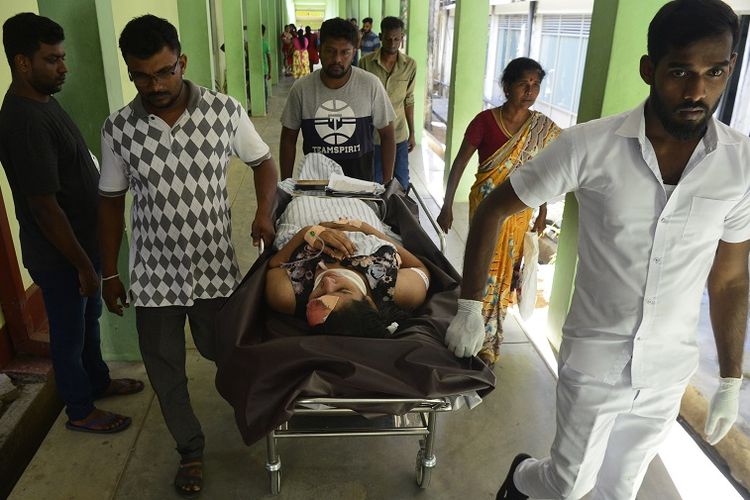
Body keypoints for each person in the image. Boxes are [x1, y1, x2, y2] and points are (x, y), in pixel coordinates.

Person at [444, 2, 749, 499]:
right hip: (595, 360)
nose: (697, 91)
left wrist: (730, 380)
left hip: (669, 370)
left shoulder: (740, 164)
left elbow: (731, 277)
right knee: (568, 486)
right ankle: (521, 479)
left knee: (621, 489)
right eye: (680, 72)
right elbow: (492, 209)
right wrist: (469, 305)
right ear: (649, 69)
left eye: (714, 73)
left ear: (730, 68)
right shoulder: (589, 146)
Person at [97, 15, 278, 497]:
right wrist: (108, 273)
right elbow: (111, 203)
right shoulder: (118, 129)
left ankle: (256, 417)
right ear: (130, 71)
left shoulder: (223, 111)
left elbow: (264, 162)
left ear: (183, 61)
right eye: (141, 75)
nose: (154, 85)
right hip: (154, 276)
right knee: (165, 371)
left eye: (164, 72)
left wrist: (265, 213)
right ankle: (190, 451)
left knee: (230, 356)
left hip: (215, 270)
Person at [0, 13, 143, 435]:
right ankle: (80, 410)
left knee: (87, 324)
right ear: (22, 62)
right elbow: (44, 207)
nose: (63, 67)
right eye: (52, 59)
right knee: (69, 335)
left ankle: (96, 381)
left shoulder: (43, 100)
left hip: (81, 247)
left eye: (62, 57)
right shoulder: (23, 120)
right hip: (61, 255)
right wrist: (82, 265)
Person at [437, 57, 559, 366]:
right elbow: (460, 162)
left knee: (506, 272)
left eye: (536, 85)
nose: (530, 91)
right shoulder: (485, 121)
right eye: (523, 84)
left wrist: (543, 211)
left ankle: (490, 337)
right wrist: (447, 203)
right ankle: (474, 328)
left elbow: (545, 172)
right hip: (487, 206)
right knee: (486, 266)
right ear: (506, 87)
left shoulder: (540, 128)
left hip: (519, 213)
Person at [266, 194, 430, 336]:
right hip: (358, 209)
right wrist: (363, 227)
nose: (328, 282)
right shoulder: (397, 289)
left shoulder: (286, 296)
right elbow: (420, 267)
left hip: (307, 208)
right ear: (369, 301)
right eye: (342, 290)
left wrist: (309, 232)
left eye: (318, 295)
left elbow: (274, 265)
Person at [280, 17, 396, 182]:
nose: (337, 59)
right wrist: (286, 185)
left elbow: (387, 135)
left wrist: (387, 182)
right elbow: (288, 139)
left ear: (354, 52)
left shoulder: (370, 85)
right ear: (319, 50)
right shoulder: (301, 89)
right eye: (330, 51)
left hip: (360, 187)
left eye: (345, 52)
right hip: (315, 186)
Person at [359, 16, 417, 189]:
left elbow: (409, 99)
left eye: (396, 39)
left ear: (402, 38)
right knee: (374, 183)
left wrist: (412, 132)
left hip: (399, 134)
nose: (392, 43)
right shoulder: (366, 63)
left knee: (401, 183)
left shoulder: (410, 65)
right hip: (373, 136)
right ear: (380, 36)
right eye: (388, 38)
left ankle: (399, 215)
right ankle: (377, 215)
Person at [262, 24, 271, 109]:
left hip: (256, 70)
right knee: (264, 88)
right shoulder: (265, 44)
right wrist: (270, 71)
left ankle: (264, 105)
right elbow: (269, 59)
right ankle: (265, 105)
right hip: (264, 69)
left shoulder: (250, 43)